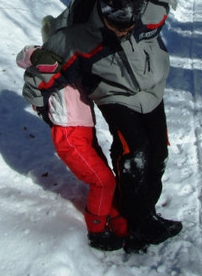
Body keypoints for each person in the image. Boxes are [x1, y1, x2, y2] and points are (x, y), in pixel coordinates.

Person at [22, 0, 181, 253]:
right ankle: (132, 221)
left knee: (158, 155)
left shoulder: (153, 10)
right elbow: (41, 66)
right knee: (135, 156)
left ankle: (147, 214)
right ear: (103, 12)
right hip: (114, 94)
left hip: (153, 90)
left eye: (129, 25)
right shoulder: (78, 33)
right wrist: (40, 103)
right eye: (116, 25)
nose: (123, 31)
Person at [16, 44, 128, 251]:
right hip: (68, 133)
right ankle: (97, 232)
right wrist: (38, 54)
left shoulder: (73, 60)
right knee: (102, 181)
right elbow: (26, 60)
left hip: (86, 129)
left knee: (106, 178)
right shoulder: (44, 65)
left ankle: (118, 221)